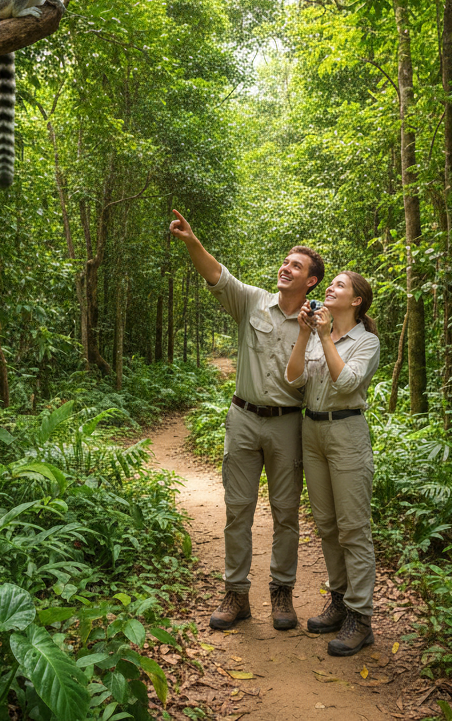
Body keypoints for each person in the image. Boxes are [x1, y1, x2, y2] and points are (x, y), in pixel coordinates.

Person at [169, 208, 323, 631]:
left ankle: (282, 593)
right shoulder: (254, 300)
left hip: (288, 424)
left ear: (311, 280)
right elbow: (217, 274)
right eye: (285, 261)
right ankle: (236, 594)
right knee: (238, 509)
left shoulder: (317, 323)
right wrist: (191, 240)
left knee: (286, 512)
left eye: (296, 265)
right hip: (243, 418)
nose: (285, 267)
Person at [286, 270, 381, 656]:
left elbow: (346, 384)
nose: (330, 288)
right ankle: (340, 601)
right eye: (331, 284)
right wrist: (307, 334)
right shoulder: (316, 332)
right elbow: (293, 379)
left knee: (353, 527)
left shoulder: (367, 342)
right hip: (313, 432)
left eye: (340, 285)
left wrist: (325, 337)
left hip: (346, 434)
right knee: (326, 524)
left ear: (356, 300)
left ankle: (361, 616)